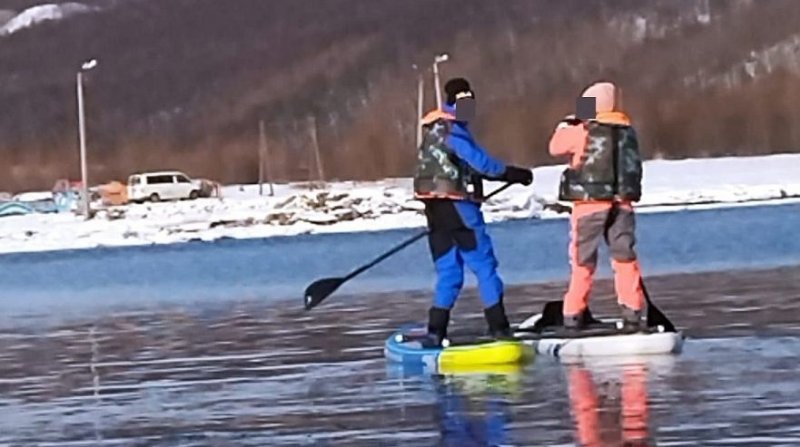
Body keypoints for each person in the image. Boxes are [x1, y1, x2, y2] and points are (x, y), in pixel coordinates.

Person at [413, 77, 533, 346]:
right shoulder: (453, 132)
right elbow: (483, 165)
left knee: (449, 271)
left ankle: (436, 330)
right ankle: (499, 328)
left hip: (434, 210)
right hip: (458, 207)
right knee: (484, 265)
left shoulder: (432, 131)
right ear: (455, 104)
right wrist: (515, 173)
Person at [548, 81, 645, 330]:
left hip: (589, 204)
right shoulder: (628, 131)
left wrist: (566, 125)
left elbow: (555, 147)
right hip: (622, 204)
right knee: (624, 258)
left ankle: (572, 313)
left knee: (582, 261)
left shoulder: (583, 130)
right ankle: (632, 311)